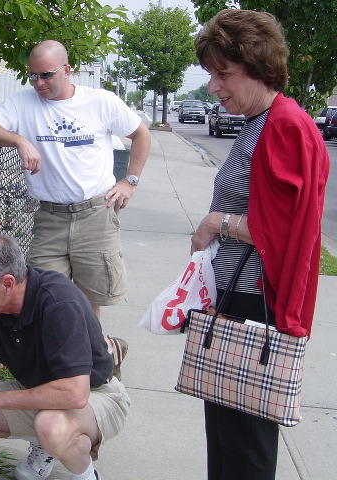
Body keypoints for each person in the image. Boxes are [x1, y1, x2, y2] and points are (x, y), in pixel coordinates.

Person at [190, 10, 329, 480]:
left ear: (259, 66)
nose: (213, 87)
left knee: (245, 448)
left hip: (257, 302)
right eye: (211, 74)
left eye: (222, 74)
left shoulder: (286, 125)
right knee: (225, 438)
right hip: (234, 298)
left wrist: (217, 222)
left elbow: (293, 230)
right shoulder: (257, 121)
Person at [0, 232, 131, 480]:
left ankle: (85, 475)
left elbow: (75, 393)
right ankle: (44, 443)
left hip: (95, 394)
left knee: (51, 426)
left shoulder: (58, 302)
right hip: (34, 389)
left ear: (7, 284)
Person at [0, 40, 151, 322]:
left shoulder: (100, 101)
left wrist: (130, 181)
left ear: (67, 70)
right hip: (50, 218)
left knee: (90, 302)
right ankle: (58, 361)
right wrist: (19, 140)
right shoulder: (23, 103)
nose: (38, 83)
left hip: (96, 214)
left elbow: (141, 134)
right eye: (32, 75)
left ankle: (96, 359)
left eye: (46, 75)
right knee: (45, 297)